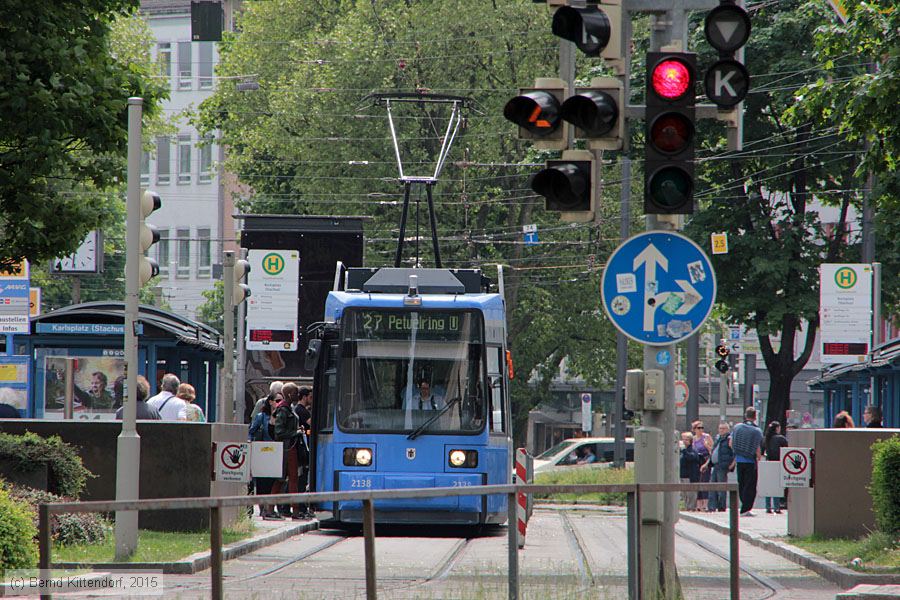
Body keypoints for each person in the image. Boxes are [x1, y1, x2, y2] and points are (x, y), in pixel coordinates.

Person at [269, 390, 303, 519]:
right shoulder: (283, 410)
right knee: (286, 479)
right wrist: (296, 433)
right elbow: (279, 432)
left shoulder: (287, 408)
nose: (297, 395)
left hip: (289, 447)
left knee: (284, 479)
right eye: (295, 393)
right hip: (287, 448)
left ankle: (272, 509)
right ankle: (294, 510)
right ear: (289, 394)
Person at [249, 393, 280, 519]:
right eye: (277, 400)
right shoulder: (261, 416)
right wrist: (251, 446)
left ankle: (270, 508)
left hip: (276, 452)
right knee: (262, 481)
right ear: (270, 402)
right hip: (263, 452)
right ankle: (263, 509)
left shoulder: (281, 416)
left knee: (274, 481)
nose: (279, 403)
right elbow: (251, 431)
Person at [730, 407, 763, 517]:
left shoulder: (737, 427)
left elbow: (731, 443)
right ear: (755, 416)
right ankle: (746, 508)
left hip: (739, 460)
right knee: (750, 485)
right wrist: (759, 456)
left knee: (742, 484)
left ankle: (743, 505)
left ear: (745, 415)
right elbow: (757, 447)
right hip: (750, 462)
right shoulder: (757, 431)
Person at [706, 422, 735, 512]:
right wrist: (707, 464)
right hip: (715, 465)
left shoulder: (729, 439)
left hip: (723, 465)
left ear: (727, 430)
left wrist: (732, 464)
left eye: (723, 428)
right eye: (720, 428)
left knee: (721, 487)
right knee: (712, 486)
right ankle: (711, 507)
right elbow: (714, 451)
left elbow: (735, 452)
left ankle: (721, 507)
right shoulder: (718, 439)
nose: (721, 430)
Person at [763, 421, 788, 514]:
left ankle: (768, 507)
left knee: (768, 485)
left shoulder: (766, 439)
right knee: (777, 485)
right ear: (777, 428)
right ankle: (777, 507)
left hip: (768, 463)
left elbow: (762, 451)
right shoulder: (781, 439)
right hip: (778, 463)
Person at [692, 420, 713, 512]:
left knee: (705, 481)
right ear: (694, 429)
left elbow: (712, 450)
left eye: (702, 428)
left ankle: (705, 504)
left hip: (705, 460)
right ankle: (698, 504)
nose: (701, 430)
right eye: (699, 428)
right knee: (698, 482)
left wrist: (706, 445)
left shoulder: (706, 437)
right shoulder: (693, 439)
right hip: (697, 461)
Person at [680, 432, 700, 511]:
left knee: (691, 494)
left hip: (690, 476)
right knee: (684, 494)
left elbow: (691, 457)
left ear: (691, 441)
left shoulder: (693, 449)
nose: (684, 441)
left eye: (686, 440)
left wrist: (684, 450)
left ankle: (691, 508)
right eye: (683, 439)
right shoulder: (682, 451)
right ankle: (686, 508)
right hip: (682, 475)